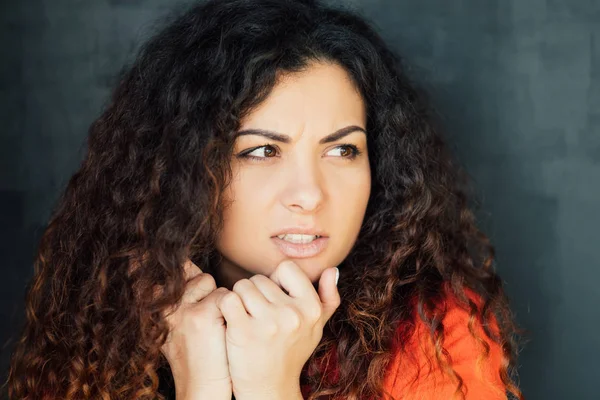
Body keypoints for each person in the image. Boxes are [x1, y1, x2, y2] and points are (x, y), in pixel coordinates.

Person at [5, 0, 524, 399]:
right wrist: (201, 385)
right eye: (260, 151)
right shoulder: (102, 330)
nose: (309, 195)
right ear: (186, 166)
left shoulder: (436, 337)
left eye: (343, 149)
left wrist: (271, 386)